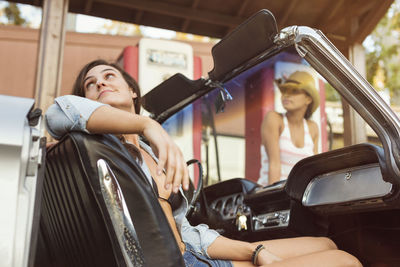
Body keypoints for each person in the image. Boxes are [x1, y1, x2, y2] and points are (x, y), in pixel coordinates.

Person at [45, 60, 361, 267]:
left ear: (132, 91)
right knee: (346, 262)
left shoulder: (152, 154)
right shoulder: (101, 146)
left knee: (327, 242)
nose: (100, 83)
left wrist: (255, 252)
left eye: (109, 76)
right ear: (87, 99)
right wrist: (149, 126)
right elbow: (60, 111)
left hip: (192, 255)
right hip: (180, 263)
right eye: (91, 83)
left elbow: (187, 234)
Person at [258, 71, 320, 186]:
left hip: (298, 200)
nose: (286, 95)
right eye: (284, 90)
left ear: (308, 99)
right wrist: (274, 202)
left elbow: (314, 173)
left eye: (294, 91)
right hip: (272, 197)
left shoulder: (313, 128)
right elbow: (274, 165)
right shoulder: (274, 119)